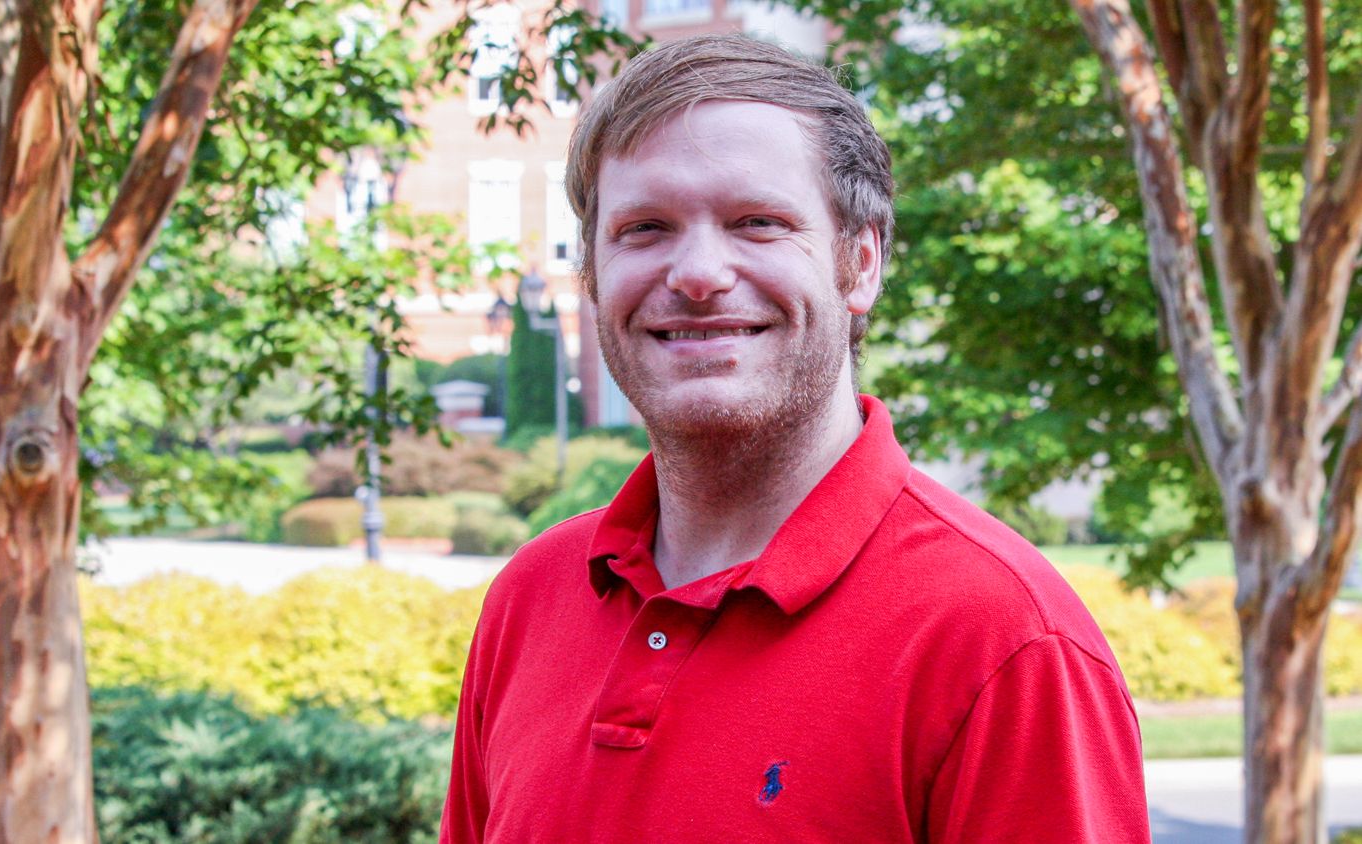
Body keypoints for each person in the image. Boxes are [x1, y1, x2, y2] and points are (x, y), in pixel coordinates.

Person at [441, 33, 1150, 843]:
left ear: (861, 262)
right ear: (594, 277)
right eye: (645, 229)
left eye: (758, 222)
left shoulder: (1002, 644)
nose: (698, 274)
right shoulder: (529, 601)